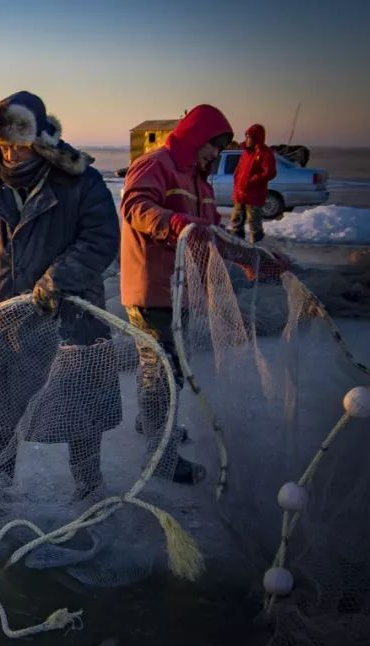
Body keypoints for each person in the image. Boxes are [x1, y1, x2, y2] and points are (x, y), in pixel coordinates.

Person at [0, 91, 120, 502]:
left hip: (68, 317)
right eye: (2, 144)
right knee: (0, 412)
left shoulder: (80, 181)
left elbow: (101, 239)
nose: (9, 153)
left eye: (18, 144)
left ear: (39, 140)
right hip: (4, 316)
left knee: (79, 405)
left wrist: (57, 279)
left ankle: (88, 487)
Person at [120, 105, 287, 485]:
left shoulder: (199, 181)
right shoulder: (156, 164)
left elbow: (213, 235)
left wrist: (254, 259)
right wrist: (173, 222)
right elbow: (135, 207)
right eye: (212, 147)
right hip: (151, 287)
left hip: (182, 289)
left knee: (173, 366)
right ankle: (159, 455)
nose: (215, 155)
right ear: (195, 139)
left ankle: (152, 423)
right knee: (161, 369)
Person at [230, 124, 277, 243]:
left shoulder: (264, 153)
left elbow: (270, 172)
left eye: (249, 136)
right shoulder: (246, 152)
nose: (247, 139)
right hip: (240, 194)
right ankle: (237, 247)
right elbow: (239, 171)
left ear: (257, 138)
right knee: (236, 222)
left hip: (254, 195)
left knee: (254, 224)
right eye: (246, 136)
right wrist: (237, 187)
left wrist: (253, 180)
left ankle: (257, 250)